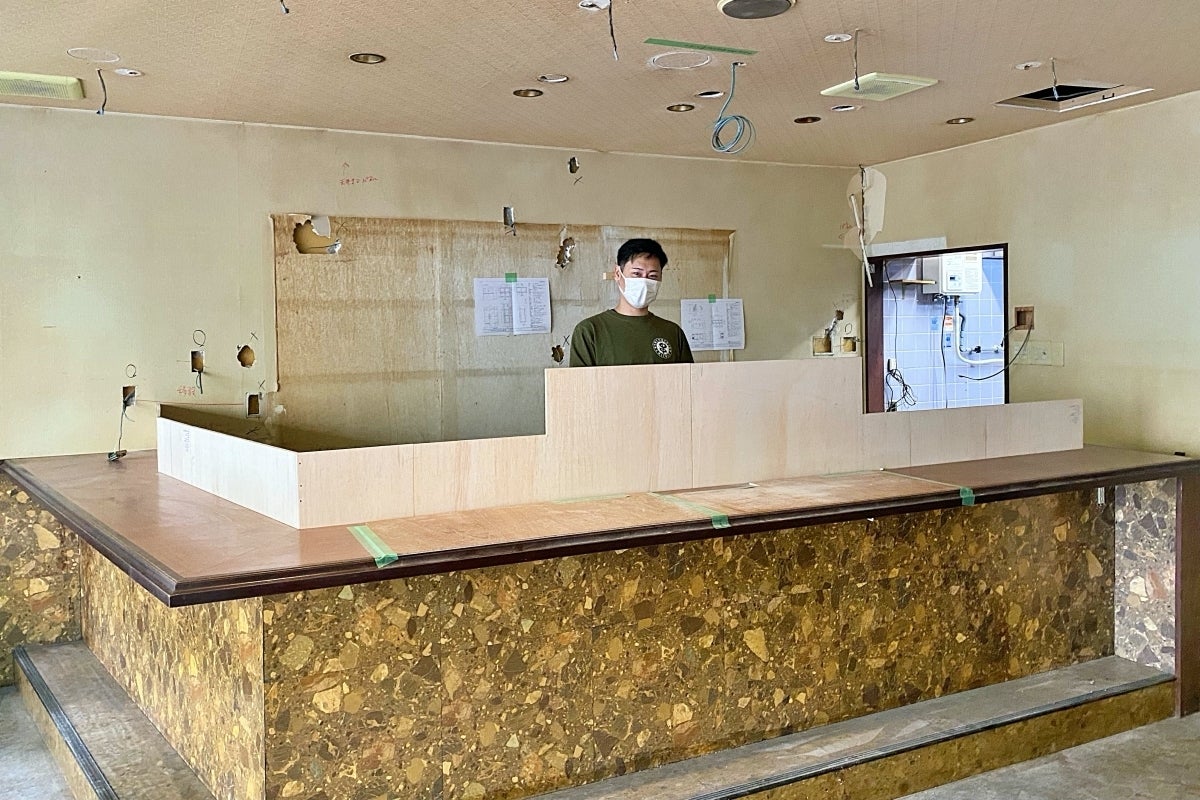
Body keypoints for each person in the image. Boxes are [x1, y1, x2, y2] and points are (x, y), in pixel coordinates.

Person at [569, 238, 694, 367]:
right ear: (618, 273)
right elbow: (580, 380)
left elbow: (688, 378)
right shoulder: (589, 331)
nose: (644, 282)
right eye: (636, 274)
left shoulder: (673, 333)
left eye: (652, 276)